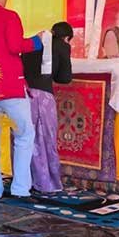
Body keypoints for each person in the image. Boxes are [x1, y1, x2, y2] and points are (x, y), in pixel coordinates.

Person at [0, 0, 44, 200]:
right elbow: (16, 45)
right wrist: (38, 40)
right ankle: (20, 188)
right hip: (11, 87)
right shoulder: (10, 16)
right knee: (25, 135)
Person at [22, 21, 73, 193]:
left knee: (24, 140)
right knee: (45, 139)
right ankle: (46, 183)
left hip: (23, 96)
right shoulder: (62, 46)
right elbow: (64, 77)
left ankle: (23, 182)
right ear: (66, 38)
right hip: (43, 96)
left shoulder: (33, 40)